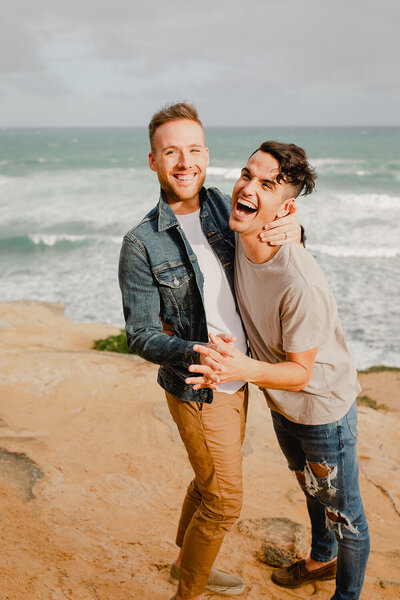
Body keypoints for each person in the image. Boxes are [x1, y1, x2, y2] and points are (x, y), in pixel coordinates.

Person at [118, 104, 302, 600]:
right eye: (170, 151)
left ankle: (183, 564)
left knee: (206, 482)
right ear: (153, 161)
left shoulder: (224, 205)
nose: (184, 161)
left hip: (242, 378)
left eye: (193, 149)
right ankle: (189, 592)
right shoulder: (140, 244)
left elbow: (269, 232)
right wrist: (195, 349)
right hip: (201, 387)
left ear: (206, 155)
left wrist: (293, 226)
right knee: (223, 501)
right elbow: (137, 334)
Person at [186, 141, 370, 600]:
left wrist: (239, 366)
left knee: (345, 513)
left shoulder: (299, 281)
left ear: (285, 207)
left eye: (267, 184)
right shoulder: (238, 238)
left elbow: (300, 374)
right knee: (310, 487)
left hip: (321, 406)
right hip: (283, 402)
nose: (247, 187)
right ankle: (320, 558)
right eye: (247, 174)